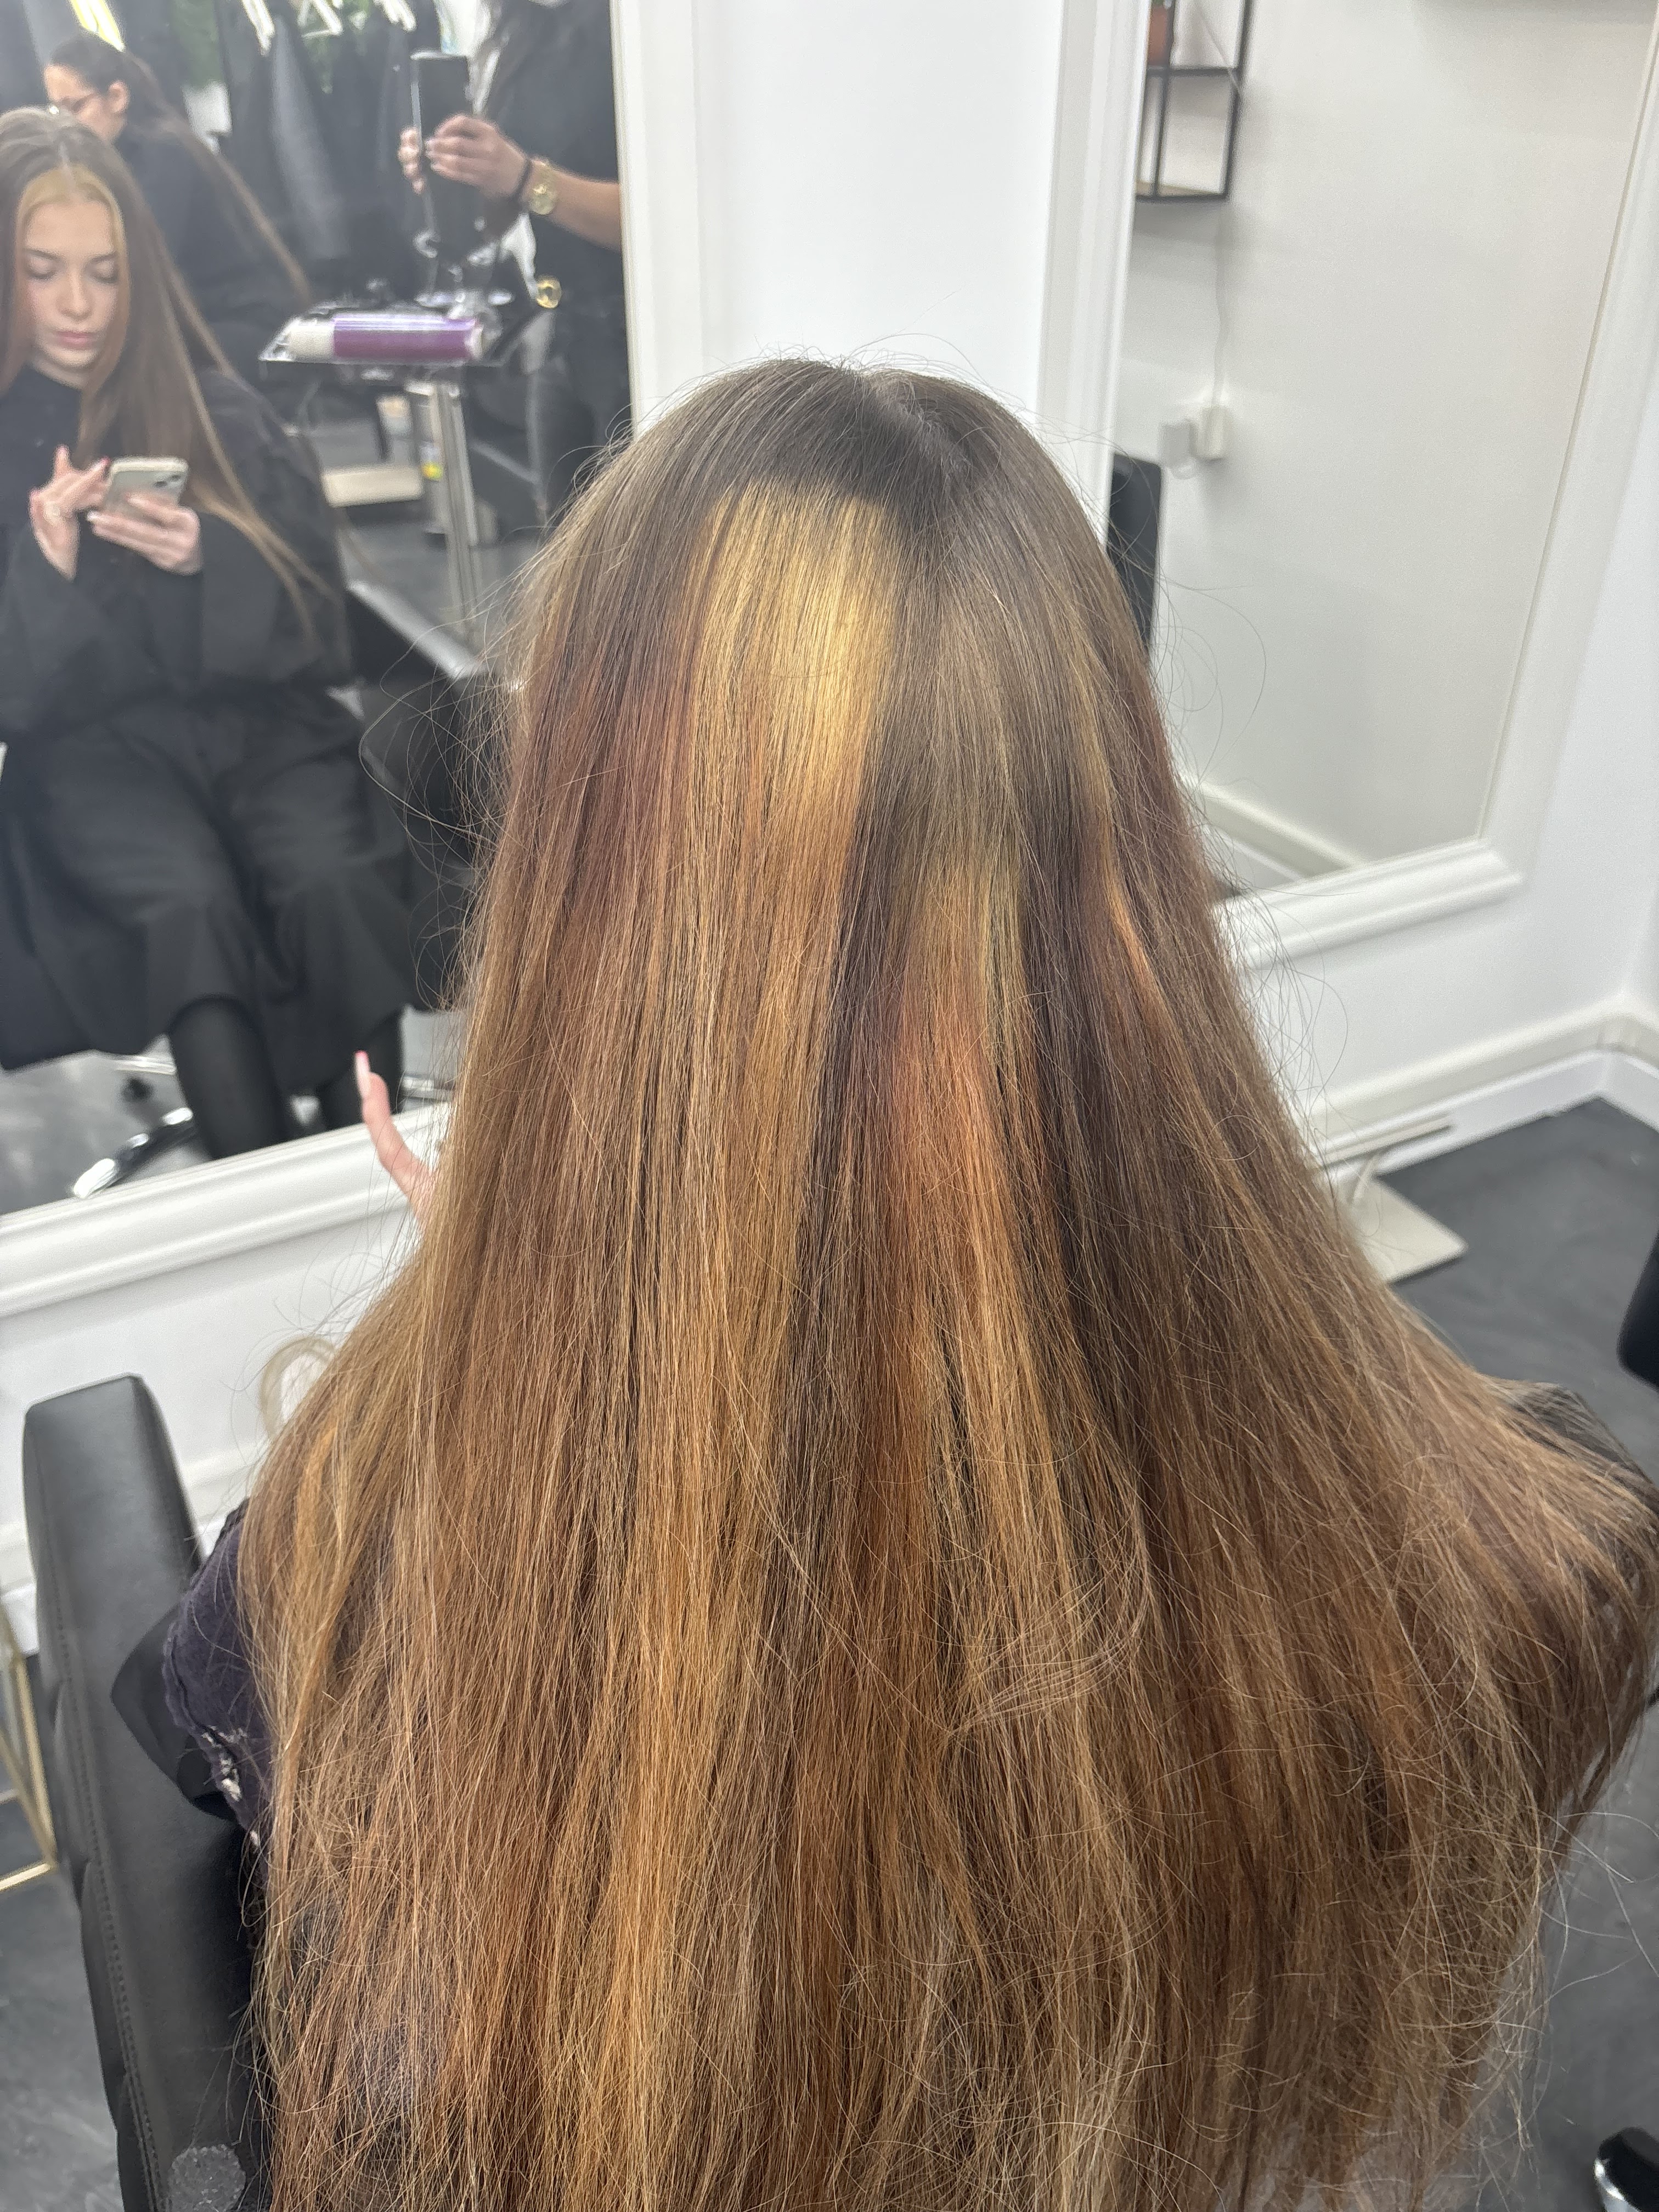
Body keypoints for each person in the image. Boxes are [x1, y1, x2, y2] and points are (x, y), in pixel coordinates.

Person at [145, 360, 1656, 2212]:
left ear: (587, 895)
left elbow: (217, 1780)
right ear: (1120, 845)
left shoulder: (366, 1536)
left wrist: (494, 1290)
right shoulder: (1456, 1536)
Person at [0, 110, 414, 1159]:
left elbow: (322, 626)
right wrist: (44, 573)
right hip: (95, 758)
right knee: (187, 908)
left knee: (329, 882)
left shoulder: (217, 411)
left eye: (104, 272)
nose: (79, 304)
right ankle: (255, 1184)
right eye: (44, 272)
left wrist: (207, 560)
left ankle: (377, 1179)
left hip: (260, 730)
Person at [398, 0, 627, 522]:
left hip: (638, 333)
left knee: (631, 544)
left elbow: (661, 220)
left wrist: (524, 177)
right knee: (563, 544)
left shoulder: (629, 28)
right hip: (562, 331)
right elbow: (499, 219)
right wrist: (464, 175)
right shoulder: (526, 34)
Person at [41, 32, 306, 383]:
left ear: (117, 97)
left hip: (246, 323)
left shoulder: (162, 154)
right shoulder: (130, 153)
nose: (66, 125)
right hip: (212, 316)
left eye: (75, 108)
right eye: (56, 111)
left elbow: (141, 263)